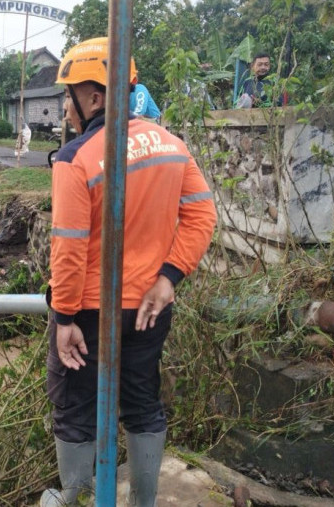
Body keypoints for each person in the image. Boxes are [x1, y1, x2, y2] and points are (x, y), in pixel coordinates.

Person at [40, 37, 217, 507]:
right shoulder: (172, 145)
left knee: (76, 409)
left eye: (70, 94)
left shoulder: (75, 159)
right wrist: (168, 278)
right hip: (149, 308)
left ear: (94, 97)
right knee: (141, 402)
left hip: (91, 312)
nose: (65, 106)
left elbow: (70, 252)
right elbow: (202, 216)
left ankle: (74, 496)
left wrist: (63, 320)